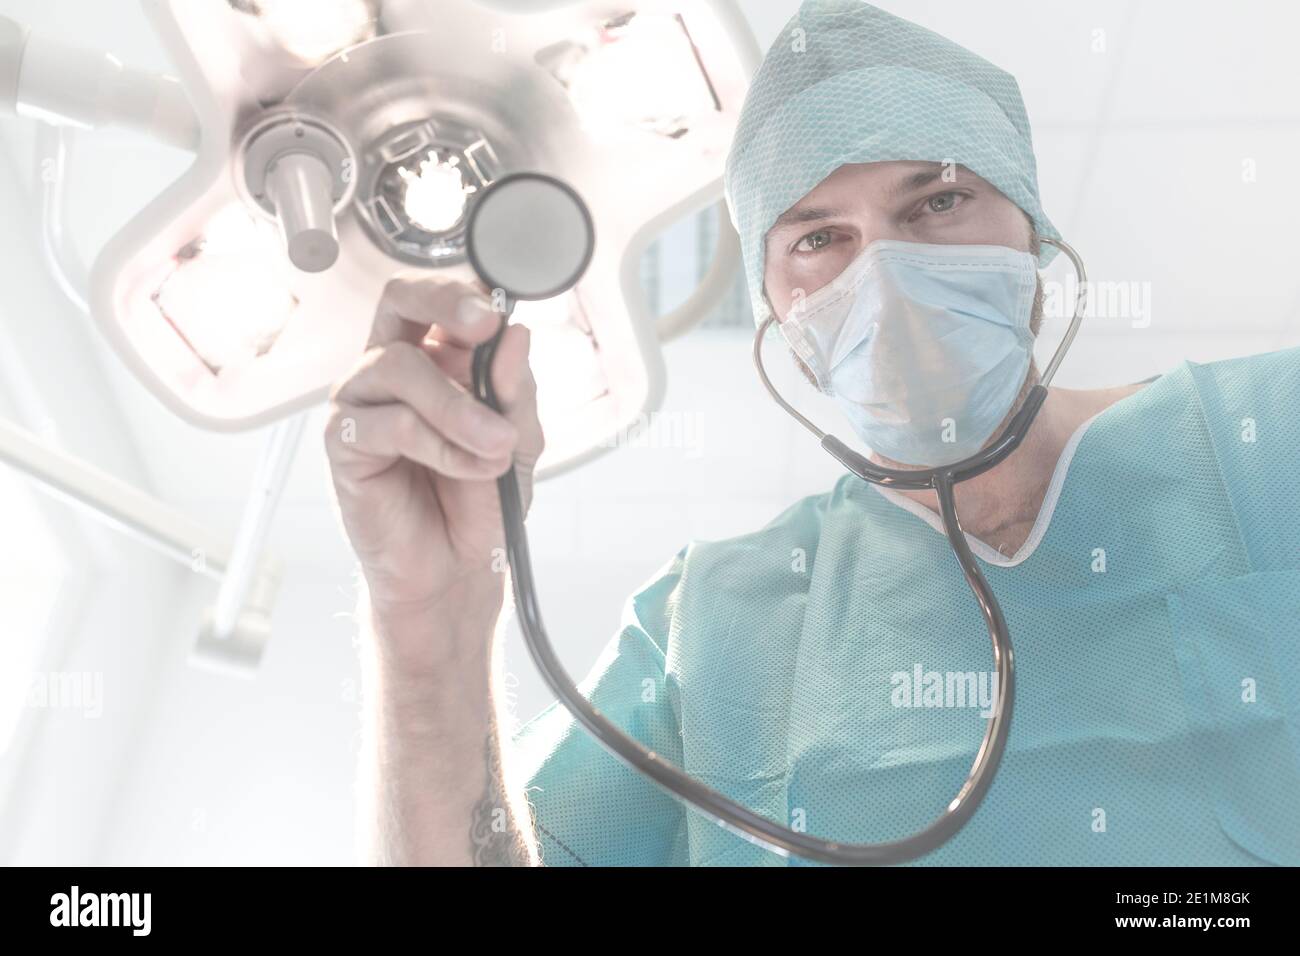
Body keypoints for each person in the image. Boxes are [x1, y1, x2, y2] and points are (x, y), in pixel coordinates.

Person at [324, 0, 1300, 866]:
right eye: (819, 238)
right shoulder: (709, 628)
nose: (885, 273)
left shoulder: (1267, 436)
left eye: (938, 199)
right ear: (783, 329)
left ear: (1033, 242)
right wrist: (430, 629)